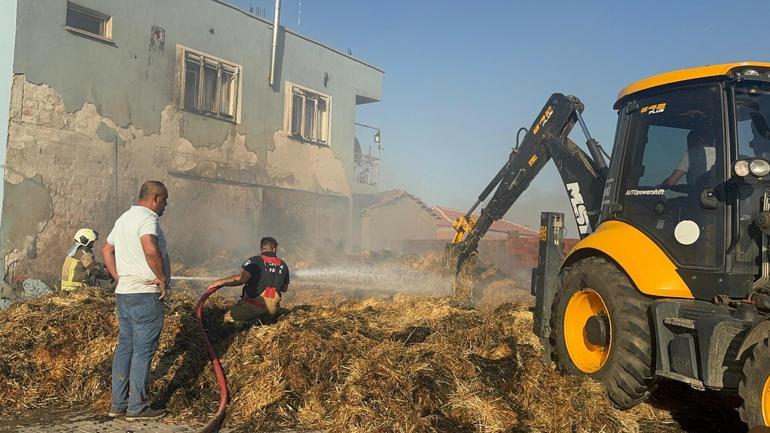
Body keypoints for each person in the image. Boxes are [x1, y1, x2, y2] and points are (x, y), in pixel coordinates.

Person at [102, 181, 170, 420]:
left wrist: (118, 276)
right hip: (145, 294)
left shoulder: (124, 218)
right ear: (156, 198)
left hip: (125, 294)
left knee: (125, 349)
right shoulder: (147, 218)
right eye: (165, 201)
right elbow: (150, 249)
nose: (165, 207)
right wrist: (162, 279)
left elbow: (106, 250)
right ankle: (137, 407)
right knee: (142, 351)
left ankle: (118, 405)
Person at [207, 236, 290, 326]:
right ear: (274, 249)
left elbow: (241, 279)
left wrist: (220, 282)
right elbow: (284, 288)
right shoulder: (283, 265)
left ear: (261, 248)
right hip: (274, 309)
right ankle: (264, 319)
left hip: (254, 307)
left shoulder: (255, 260)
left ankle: (249, 323)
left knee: (226, 318)